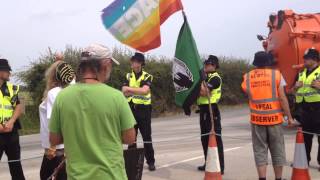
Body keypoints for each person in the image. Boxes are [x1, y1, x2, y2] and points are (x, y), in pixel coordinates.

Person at [49, 43, 136, 180]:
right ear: (106, 64)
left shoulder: (62, 97)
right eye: (111, 65)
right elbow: (130, 138)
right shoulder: (116, 97)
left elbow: (54, 139)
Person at [241, 51, 294, 180]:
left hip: (257, 120)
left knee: (260, 151)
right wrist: (290, 117)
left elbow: (248, 94)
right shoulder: (276, 75)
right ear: (268, 63)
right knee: (277, 150)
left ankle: (262, 178)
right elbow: (282, 98)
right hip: (274, 120)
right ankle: (278, 178)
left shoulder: (247, 77)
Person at [39, 59, 75, 180]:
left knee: (46, 176)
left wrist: (52, 146)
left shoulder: (54, 93)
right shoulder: (71, 90)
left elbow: (54, 121)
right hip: (62, 145)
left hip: (55, 147)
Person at [122, 52, 156, 171]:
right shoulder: (128, 76)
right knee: (131, 138)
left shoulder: (147, 76)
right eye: (132, 61)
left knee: (147, 137)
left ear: (140, 63)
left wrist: (130, 89)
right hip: (130, 110)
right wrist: (137, 90)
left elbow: (145, 91)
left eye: (134, 61)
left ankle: (151, 161)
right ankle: (131, 163)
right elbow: (123, 91)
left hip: (144, 111)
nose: (132, 63)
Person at [196, 55, 224, 174]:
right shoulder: (205, 77)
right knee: (204, 138)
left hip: (212, 109)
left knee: (215, 138)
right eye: (205, 64)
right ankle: (208, 163)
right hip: (203, 109)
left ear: (213, 65)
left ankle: (220, 166)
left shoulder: (215, 78)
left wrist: (201, 84)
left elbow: (204, 93)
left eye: (207, 64)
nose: (205, 66)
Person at [293, 48, 320, 168]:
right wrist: (295, 87)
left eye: (307, 58)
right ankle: (305, 161)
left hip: (318, 110)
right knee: (305, 139)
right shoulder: (300, 73)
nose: (304, 60)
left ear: (315, 59)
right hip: (305, 111)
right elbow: (292, 91)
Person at [0, 58, 25, 180]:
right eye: (7, 71)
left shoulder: (12, 88)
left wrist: (11, 121)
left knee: (16, 165)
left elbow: (19, 107)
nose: (10, 73)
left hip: (11, 132)